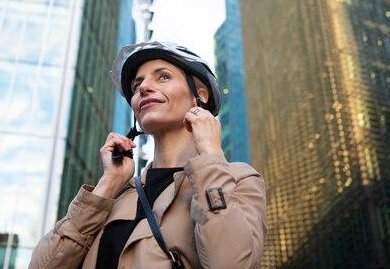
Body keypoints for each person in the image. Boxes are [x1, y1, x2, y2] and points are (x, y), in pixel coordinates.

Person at [29, 41, 267, 269]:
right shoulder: (116, 196)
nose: (143, 87)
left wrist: (210, 155)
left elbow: (231, 264)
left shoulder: (238, 179)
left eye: (163, 76)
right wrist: (108, 184)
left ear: (200, 96)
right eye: (136, 85)